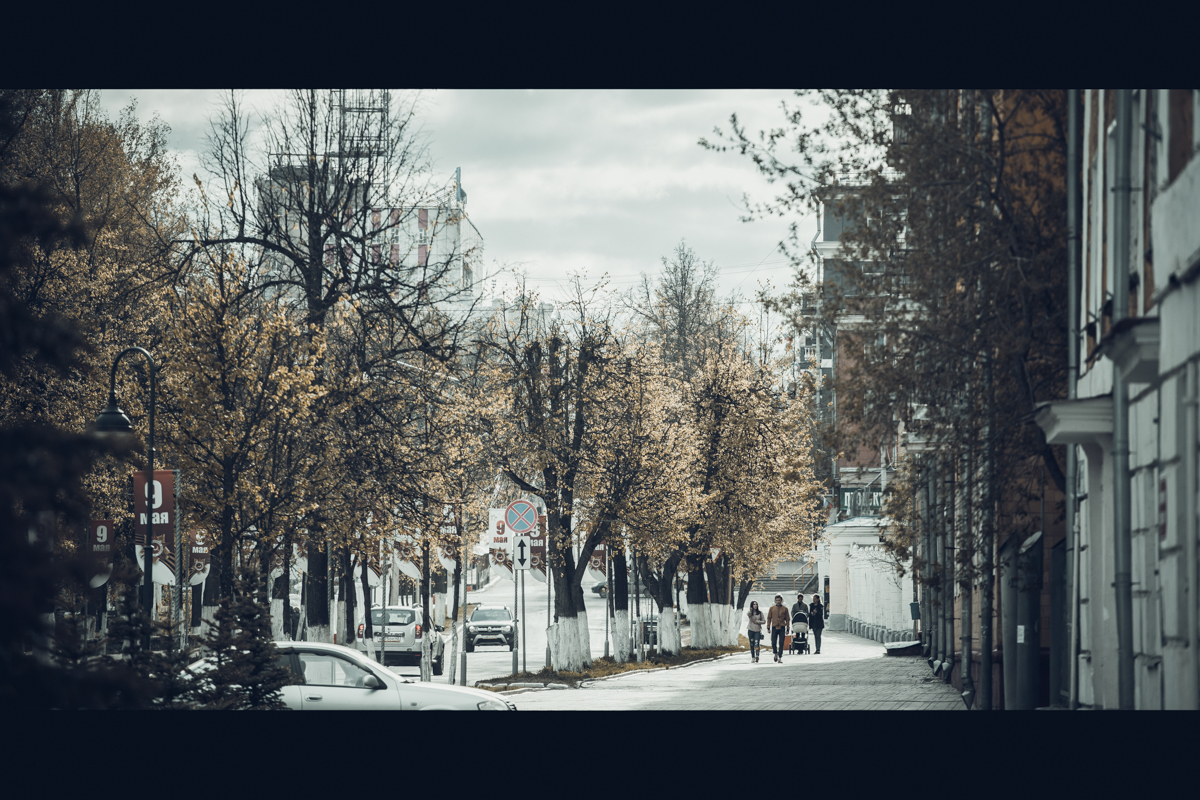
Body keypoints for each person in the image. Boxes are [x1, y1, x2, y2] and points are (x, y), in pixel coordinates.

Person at [766, 595, 790, 662]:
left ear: (781, 600)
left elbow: (787, 619)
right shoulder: (772, 608)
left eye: (779, 600)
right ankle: (775, 653)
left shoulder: (785, 609)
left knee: (781, 643)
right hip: (774, 627)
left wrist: (788, 629)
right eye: (776, 600)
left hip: (782, 627)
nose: (778, 601)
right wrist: (768, 627)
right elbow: (769, 618)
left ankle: (780, 657)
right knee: (773, 642)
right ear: (775, 601)